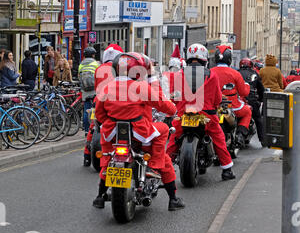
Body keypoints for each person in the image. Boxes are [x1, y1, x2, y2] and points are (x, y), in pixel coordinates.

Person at [93, 52, 185, 211]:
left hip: (113, 133)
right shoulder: (141, 87)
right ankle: (171, 195)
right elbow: (162, 104)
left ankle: (100, 197)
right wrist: (173, 109)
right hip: (139, 133)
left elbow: (100, 114)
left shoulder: (106, 87)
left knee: (108, 161)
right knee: (163, 132)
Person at [167, 43, 235, 181]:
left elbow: (173, 97)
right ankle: (227, 169)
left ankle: (164, 167)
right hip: (206, 116)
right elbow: (216, 99)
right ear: (205, 59)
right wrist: (215, 105)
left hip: (183, 115)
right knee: (219, 138)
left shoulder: (178, 75)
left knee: (173, 140)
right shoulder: (212, 75)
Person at [83, 43, 124, 167]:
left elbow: (96, 88)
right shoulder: (120, 68)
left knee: (93, 127)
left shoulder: (99, 68)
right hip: (117, 104)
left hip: (99, 102)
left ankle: (86, 156)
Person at [213, 45, 252, 149]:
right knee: (247, 112)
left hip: (213, 106)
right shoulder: (235, 73)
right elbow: (243, 93)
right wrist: (247, 86)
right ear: (229, 59)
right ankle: (240, 135)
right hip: (232, 106)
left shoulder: (210, 71)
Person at [238, 58, 265, 147]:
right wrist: (261, 99)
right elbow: (261, 89)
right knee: (258, 119)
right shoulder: (254, 74)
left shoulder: (237, 72)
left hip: (239, 99)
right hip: (251, 100)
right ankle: (262, 140)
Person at [78, 46, 99, 135]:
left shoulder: (81, 65)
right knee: (94, 110)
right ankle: (93, 128)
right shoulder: (96, 64)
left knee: (86, 110)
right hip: (94, 90)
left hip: (85, 92)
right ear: (93, 55)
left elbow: (79, 78)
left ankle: (87, 130)